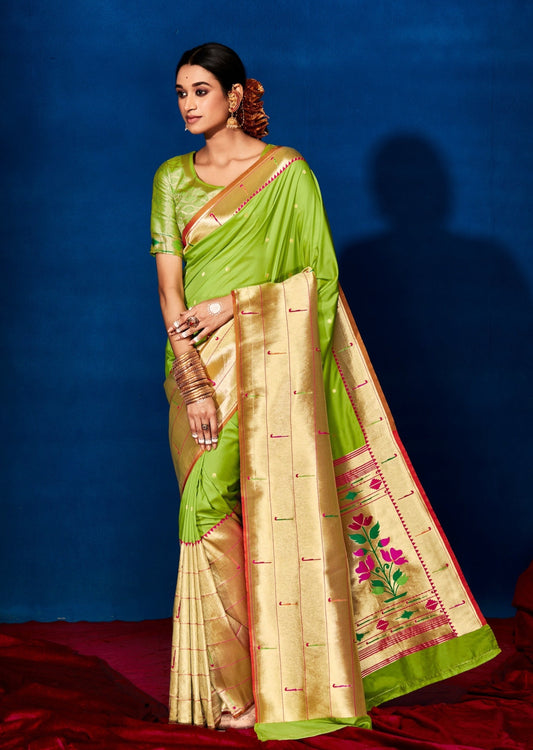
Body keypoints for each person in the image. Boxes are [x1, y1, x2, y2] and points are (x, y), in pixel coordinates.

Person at [150, 42, 499, 742]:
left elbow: (318, 281)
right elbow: (168, 293)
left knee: (208, 505)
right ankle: (247, 684)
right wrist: (191, 382)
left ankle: (258, 691)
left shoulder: (287, 174)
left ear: (236, 95)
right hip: (192, 371)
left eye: (199, 91)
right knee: (214, 520)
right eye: (180, 93)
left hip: (264, 368)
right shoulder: (170, 178)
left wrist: (235, 307)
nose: (186, 105)